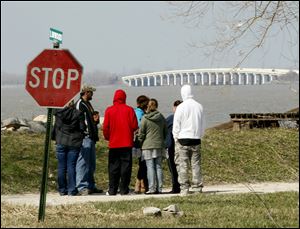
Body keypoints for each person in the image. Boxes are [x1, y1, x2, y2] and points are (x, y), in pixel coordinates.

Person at [102, 89, 138, 195]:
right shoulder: (130, 110)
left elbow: (105, 127)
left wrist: (108, 137)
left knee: (113, 168)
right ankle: (124, 189)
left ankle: (112, 189)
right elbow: (135, 126)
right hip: (126, 143)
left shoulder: (109, 110)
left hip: (114, 144)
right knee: (126, 167)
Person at [172, 84, 205, 195]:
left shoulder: (181, 107)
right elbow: (202, 124)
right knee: (196, 165)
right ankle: (197, 187)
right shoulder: (199, 106)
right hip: (196, 139)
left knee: (183, 165)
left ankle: (184, 188)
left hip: (183, 139)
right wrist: (200, 135)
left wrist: (175, 137)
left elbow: (176, 125)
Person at [52, 100, 85, 196]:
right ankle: (71, 189)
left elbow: (56, 127)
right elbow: (82, 127)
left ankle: (62, 190)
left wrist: (55, 137)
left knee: (61, 166)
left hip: (61, 141)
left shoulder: (58, 113)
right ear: (73, 104)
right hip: (74, 142)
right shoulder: (78, 114)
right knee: (71, 166)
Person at [75, 85, 103, 195]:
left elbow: (88, 120)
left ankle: (90, 185)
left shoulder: (88, 104)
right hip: (84, 137)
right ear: (86, 92)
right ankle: (81, 186)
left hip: (91, 137)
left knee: (91, 163)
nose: (92, 94)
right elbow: (78, 120)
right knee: (83, 162)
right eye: (91, 92)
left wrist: (94, 121)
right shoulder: (80, 104)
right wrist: (84, 131)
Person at [138, 98, 168, 194]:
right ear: (157, 106)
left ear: (148, 106)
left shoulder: (145, 118)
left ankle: (152, 188)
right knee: (158, 166)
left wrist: (140, 142)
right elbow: (165, 131)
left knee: (150, 167)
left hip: (147, 145)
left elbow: (141, 133)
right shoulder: (161, 117)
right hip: (159, 145)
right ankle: (159, 188)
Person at [133, 95, 150, 194]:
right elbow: (141, 127)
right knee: (143, 163)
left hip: (138, 142)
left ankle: (141, 183)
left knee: (142, 163)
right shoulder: (140, 114)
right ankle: (139, 183)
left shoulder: (137, 112)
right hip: (141, 142)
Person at [165, 100, 182, 194]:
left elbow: (163, 127)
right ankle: (182, 185)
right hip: (181, 145)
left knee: (172, 167)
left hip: (171, 145)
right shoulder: (185, 119)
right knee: (181, 166)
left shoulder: (171, 118)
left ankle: (175, 187)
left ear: (174, 108)